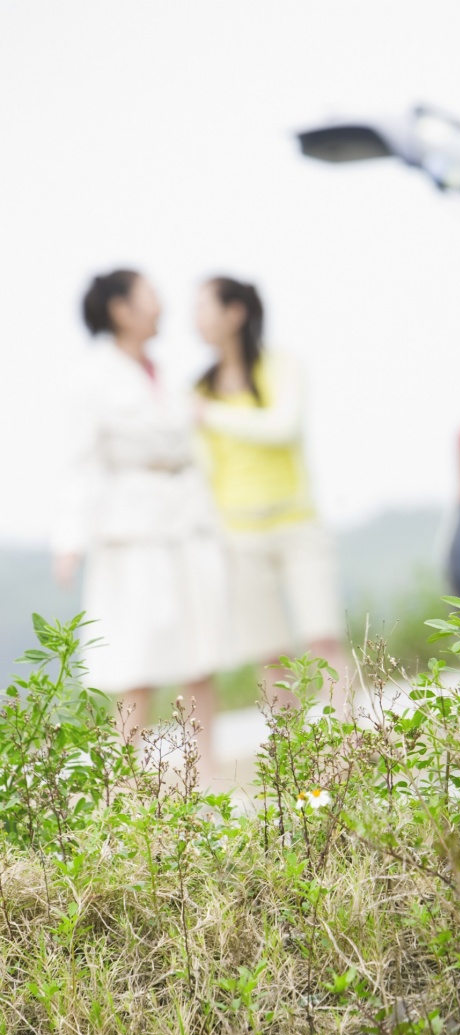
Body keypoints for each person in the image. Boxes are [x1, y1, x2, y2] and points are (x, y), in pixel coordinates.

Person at [53, 269, 225, 761]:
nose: (161, 306)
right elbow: (79, 462)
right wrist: (69, 539)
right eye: (151, 296)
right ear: (120, 310)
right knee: (136, 654)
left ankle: (206, 770)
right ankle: (125, 781)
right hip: (131, 531)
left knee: (200, 648)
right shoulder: (91, 377)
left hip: (186, 522)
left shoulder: (164, 373)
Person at [193, 276, 345, 706]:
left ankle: (353, 748)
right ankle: (294, 766)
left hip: (299, 525)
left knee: (324, 644)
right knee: (272, 659)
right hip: (239, 537)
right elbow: (205, 471)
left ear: (234, 313)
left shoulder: (281, 365)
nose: (196, 320)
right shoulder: (199, 388)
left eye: (204, 308)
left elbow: (283, 428)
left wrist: (209, 415)